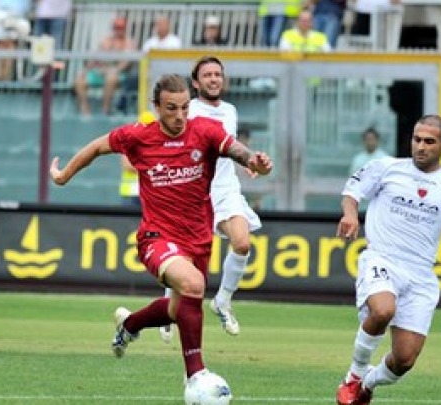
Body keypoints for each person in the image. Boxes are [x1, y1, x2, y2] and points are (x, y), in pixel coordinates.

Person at [49, 74, 273, 387]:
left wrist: (254, 160)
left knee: (177, 308)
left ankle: (129, 324)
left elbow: (237, 150)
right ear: (156, 107)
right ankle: (196, 376)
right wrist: (63, 176)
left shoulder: (205, 131)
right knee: (193, 284)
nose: (180, 116)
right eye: (171, 108)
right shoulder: (139, 136)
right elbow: (97, 147)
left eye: (184, 108)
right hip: (157, 237)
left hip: (198, 239)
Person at [334, 114, 441, 405]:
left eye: (429, 141)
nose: (421, 146)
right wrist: (349, 213)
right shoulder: (387, 168)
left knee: (404, 361)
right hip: (382, 258)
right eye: (417, 139)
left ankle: (367, 385)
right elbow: (352, 190)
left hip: (420, 275)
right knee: (382, 310)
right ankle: (354, 375)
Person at [160, 56, 262, 342]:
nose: (214, 79)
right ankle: (167, 305)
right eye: (208, 75)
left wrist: (247, 162)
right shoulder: (188, 109)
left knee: (242, 242)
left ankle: (223, 301)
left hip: (226, 187)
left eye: (218, 74)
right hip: (194, 189)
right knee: (182, 257)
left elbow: (229, 145)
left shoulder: (230, 111)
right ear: (196, 82)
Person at [74, 16, 137, 116]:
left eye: (120, 28)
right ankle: (85, 109)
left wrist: (114, 69)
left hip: (119, 73)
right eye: (116, 27)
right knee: (79, 80)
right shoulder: (106, 40)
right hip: (100, 71)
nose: (118, 30)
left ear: (124, 29)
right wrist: (85, 71)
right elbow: (95, 58)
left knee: (111, 78)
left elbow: (126, 62)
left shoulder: (129, 42)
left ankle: (105, 108)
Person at [0, 0, 32, 81]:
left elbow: (25, 7)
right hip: (1, 19)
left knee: (11, 45)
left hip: (16, 19)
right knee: (1, 44)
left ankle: (6, 76)